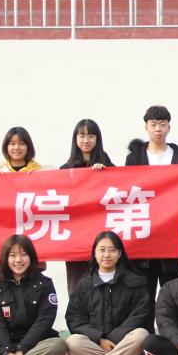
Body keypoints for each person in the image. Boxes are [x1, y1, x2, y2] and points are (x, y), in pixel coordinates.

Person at [125, 105, 178, 309]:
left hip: (172, 233)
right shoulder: (134, 158)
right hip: (143, 234)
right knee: (144, 296)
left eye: (162, 124)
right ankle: (145, 329)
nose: (158, 129)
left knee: (172, 294)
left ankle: (170, 329)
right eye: (153, 124)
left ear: (169, 127)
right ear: (146, 127)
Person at [63, 231, 150, 355]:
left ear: (120, 253)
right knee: (72, 342)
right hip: (97, 344)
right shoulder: (84, 284)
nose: (107, 255)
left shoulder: (134, 281)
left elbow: (140, 314)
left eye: (112, 250)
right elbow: (74, 318)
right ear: (95, 253)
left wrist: (114, 338)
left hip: (123, 343)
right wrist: (99, 339)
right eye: (102, 250)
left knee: (141, 335)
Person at [60, 119, 115, 295]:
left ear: (97, 139)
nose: (86, 140)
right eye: (82, 136)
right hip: (75, 235)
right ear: (75, 139)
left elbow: (119, 191)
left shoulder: (108, 166)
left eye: (91, 136)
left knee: (103, 281)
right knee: (77, 285)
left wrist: (104, 174)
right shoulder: (65, 169)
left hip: (101, 235)